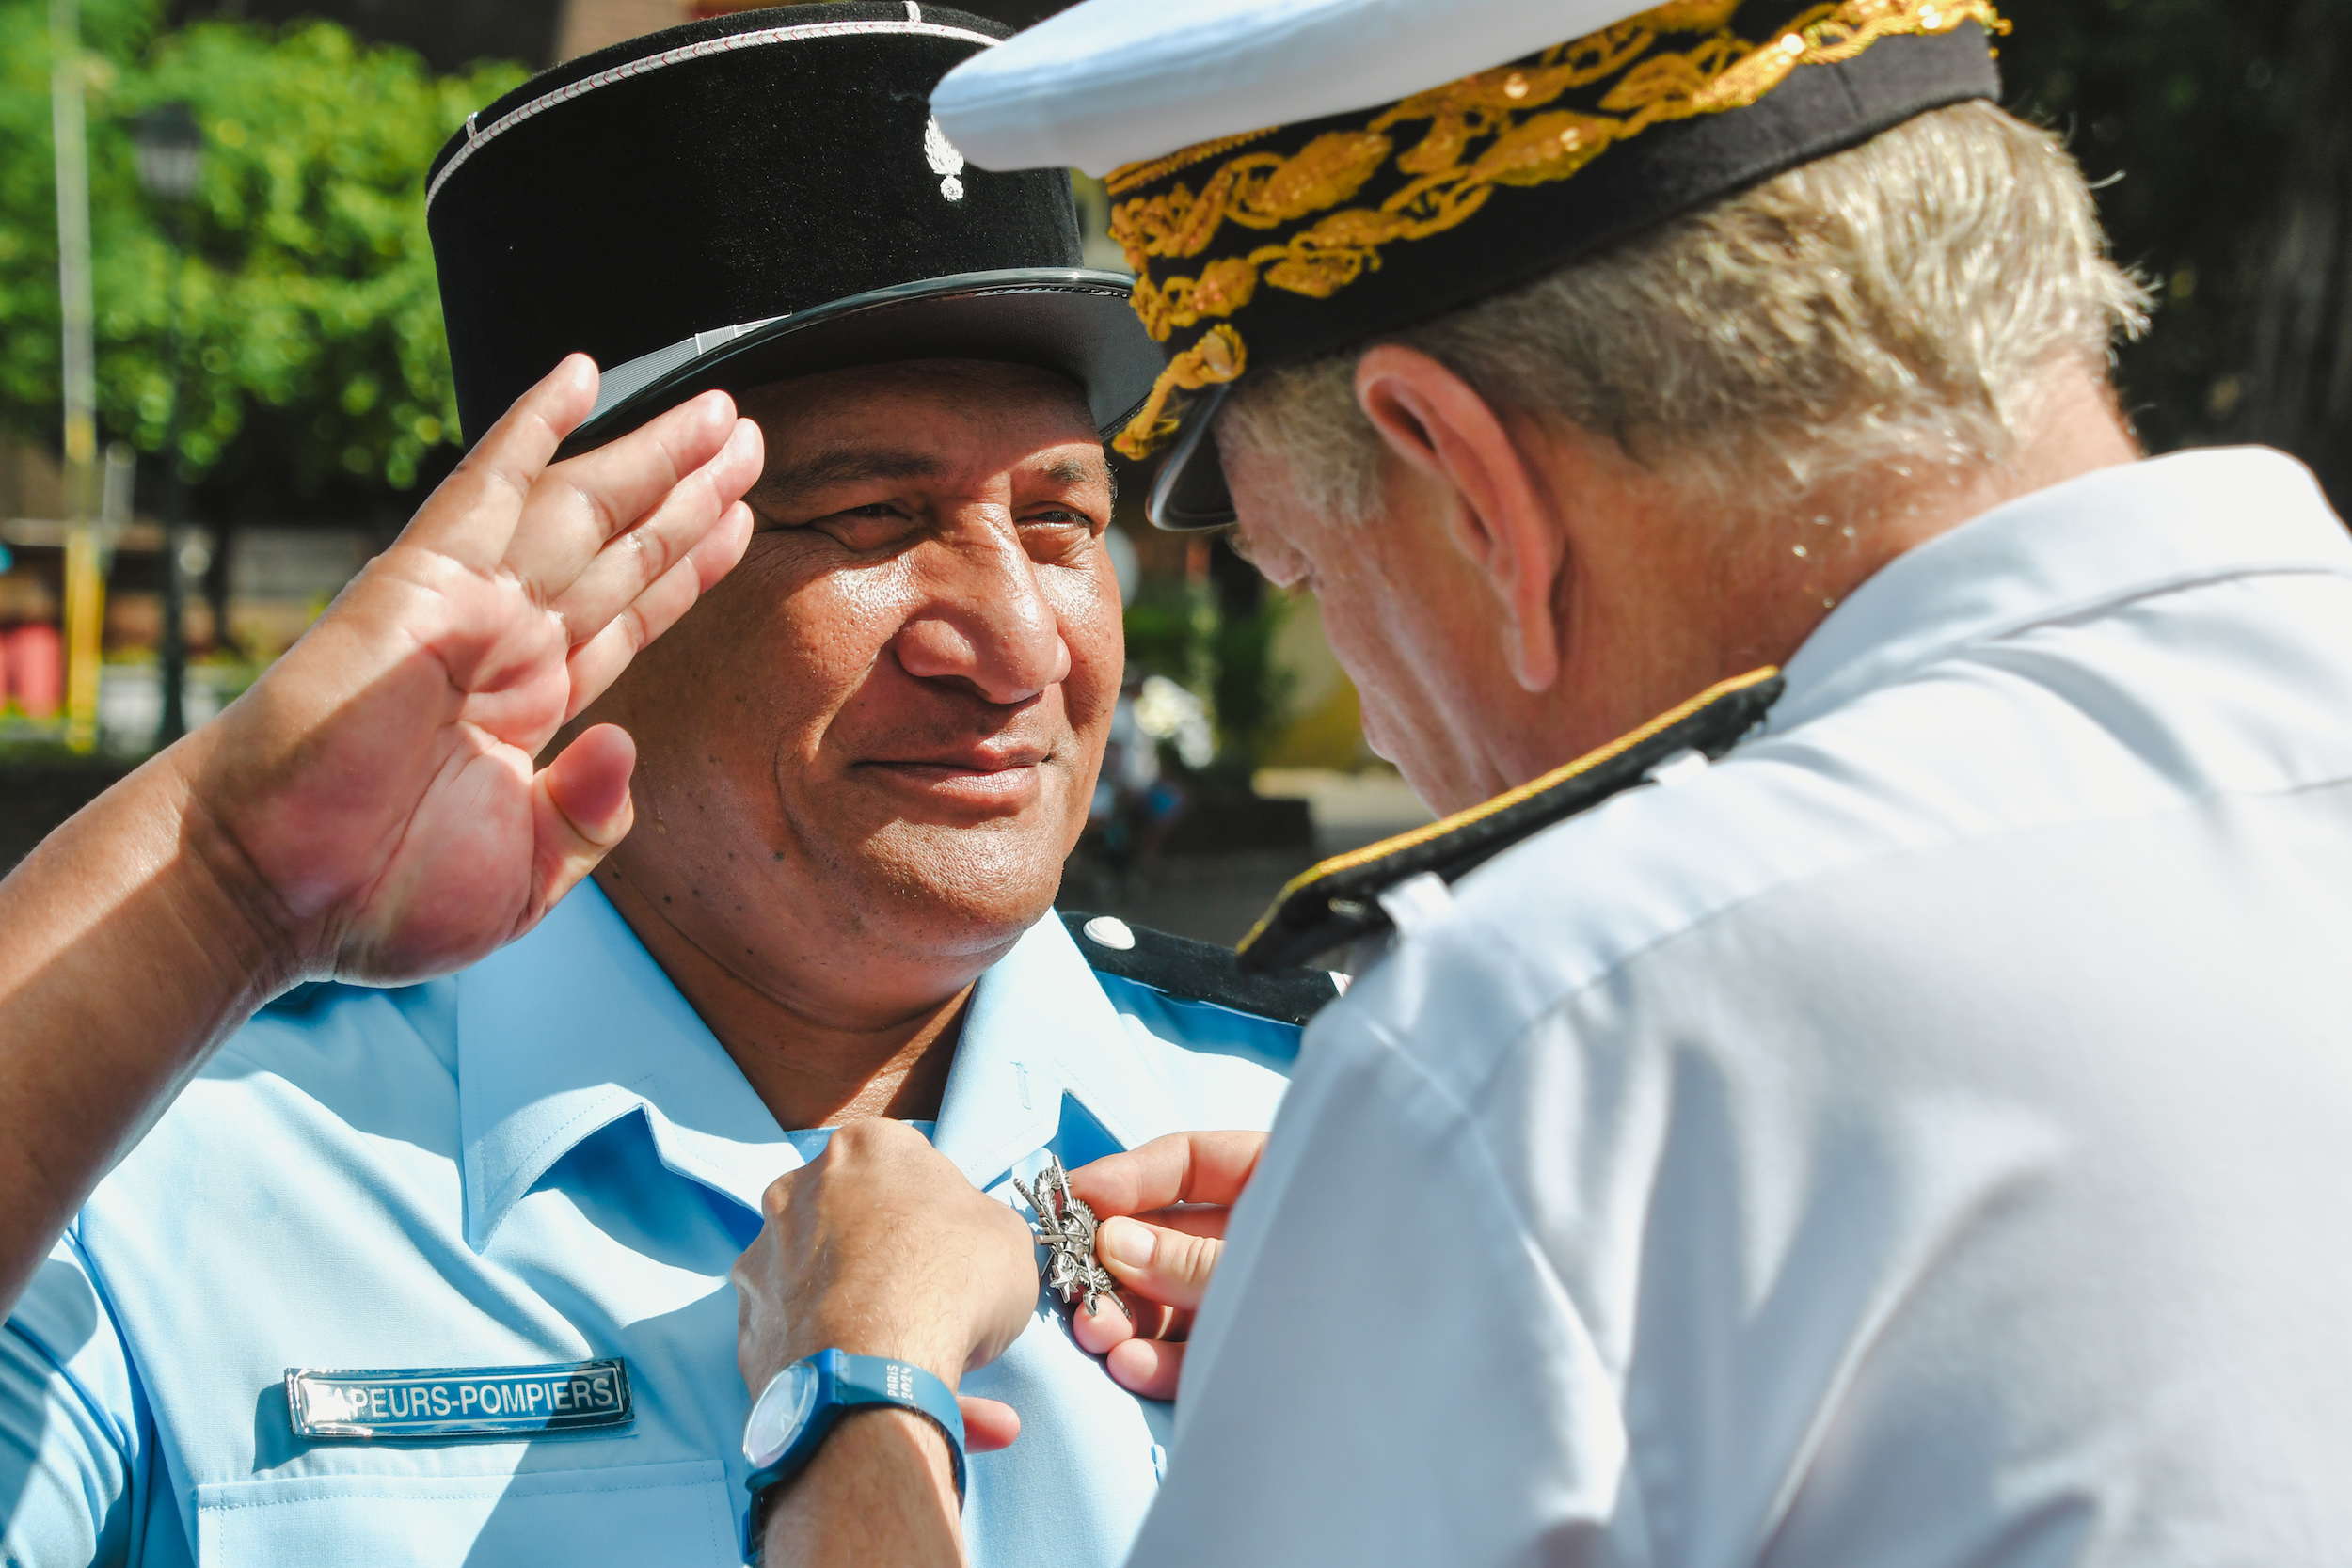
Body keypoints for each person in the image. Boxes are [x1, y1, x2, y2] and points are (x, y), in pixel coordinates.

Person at [711, 0, 2352, 1562]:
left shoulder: (1575, 1044)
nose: (1379, 740)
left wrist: (852, 1399)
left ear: (1467, 483)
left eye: (1310, 573)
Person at [0, 7, 1343, 1564]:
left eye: (1060, 520)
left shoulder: (1328, 1143)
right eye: (868, 516)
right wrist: (221, 884)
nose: (1016, 642)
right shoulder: (166, 1180)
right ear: (584, 578)